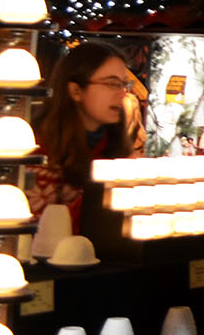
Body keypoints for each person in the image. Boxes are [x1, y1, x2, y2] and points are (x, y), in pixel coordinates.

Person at [27, 42, 133, 225]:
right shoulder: (39, 155)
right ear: (76, 91)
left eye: (125, 84)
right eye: (112, 84)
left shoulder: (114, 150)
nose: (122, 93)